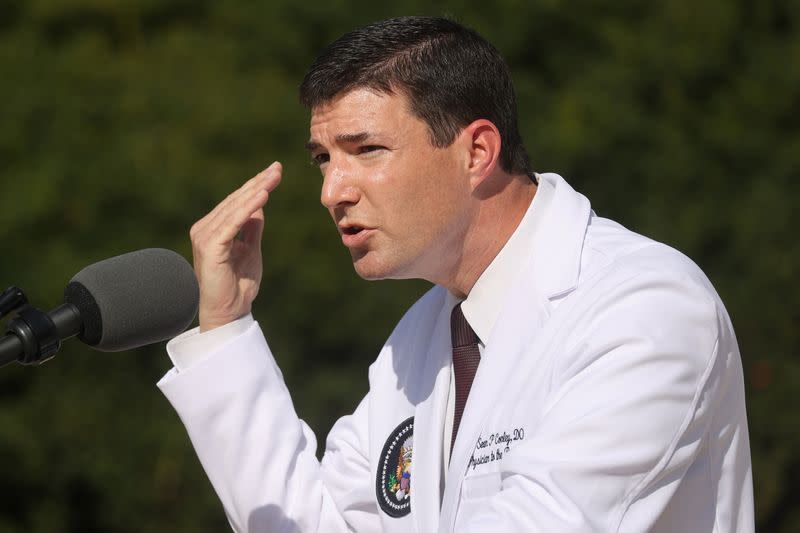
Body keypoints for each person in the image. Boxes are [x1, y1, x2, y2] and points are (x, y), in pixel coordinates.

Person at [158, 16, 754, 533]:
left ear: (477, 152)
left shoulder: (643, 307)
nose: (331, 192)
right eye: (323, 159)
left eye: (365, 150)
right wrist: (228, 328)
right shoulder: (419, 339)